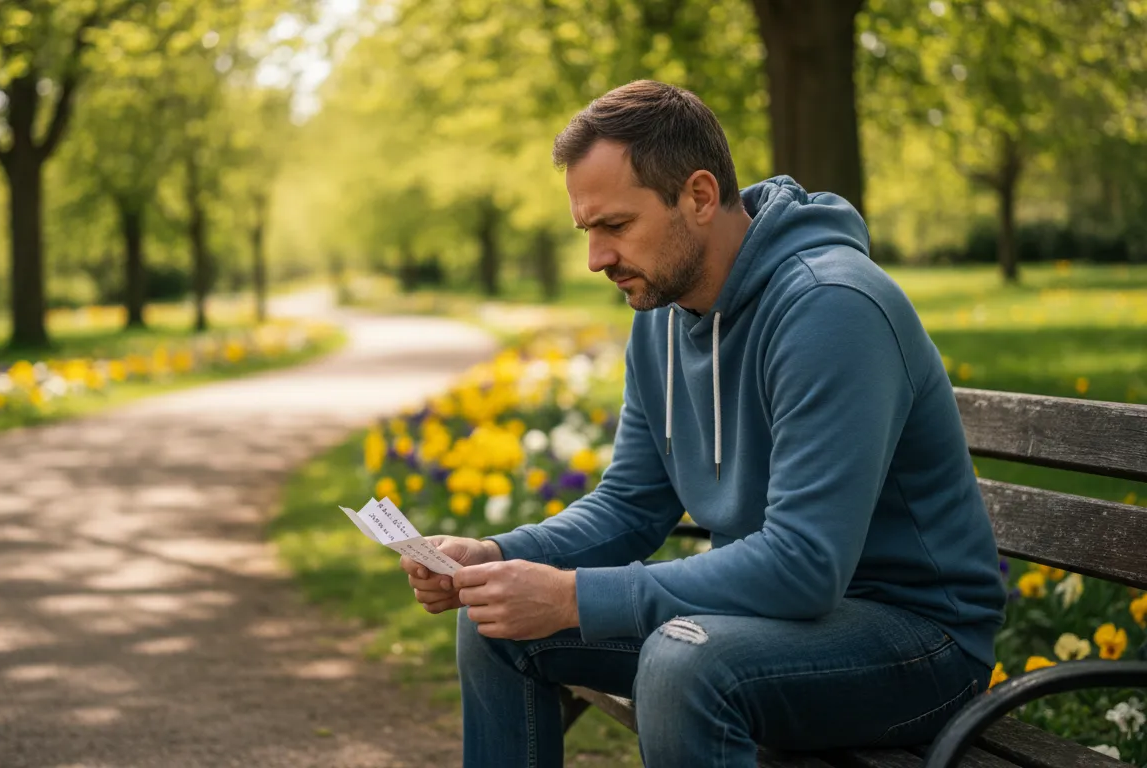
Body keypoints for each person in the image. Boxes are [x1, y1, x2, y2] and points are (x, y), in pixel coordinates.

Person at [399, 80, 1007, 768]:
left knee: (682, 664)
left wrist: (574, 596)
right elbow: (631, 504)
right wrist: (500, 555)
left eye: (616, 226)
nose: (596, 258)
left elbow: (805, 566)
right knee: (496, 625)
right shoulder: (660, 316)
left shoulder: (830, 307)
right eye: (587, 230)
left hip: (916, 641)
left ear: (698, 195)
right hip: (770, 620)